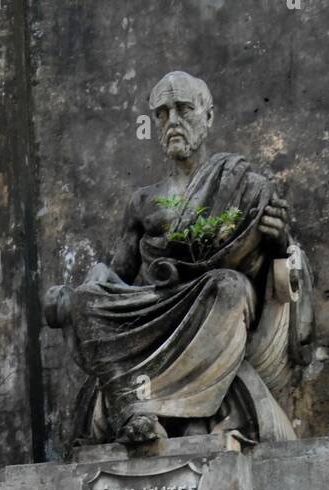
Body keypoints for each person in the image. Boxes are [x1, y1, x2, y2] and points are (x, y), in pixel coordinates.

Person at [46, 71, 313, 446]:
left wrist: (279, 242)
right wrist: (76, 297)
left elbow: (273, 262)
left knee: (228, 285)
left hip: (215, 299)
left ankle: (185, 408)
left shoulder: (243, 183)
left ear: (208, 116)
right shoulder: (144, 201)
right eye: (162, 113)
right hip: (157, 303)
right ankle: (134, 411)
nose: (172, 121)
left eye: (183, 109)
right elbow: (118, 276)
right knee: (89, 301)